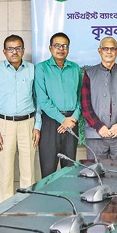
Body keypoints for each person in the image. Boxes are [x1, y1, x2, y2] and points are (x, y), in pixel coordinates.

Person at [0, 34, 42, 200]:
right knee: (5, 169)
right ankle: (5, 207)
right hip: (4, 124)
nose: (14, 52)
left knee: (28, 169)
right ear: (4, 51)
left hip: (28, 123)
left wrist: (37, 126)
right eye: (10, 49)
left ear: (23, 50)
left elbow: (38, 99)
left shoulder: (32, 69)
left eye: (18, 48)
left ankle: (27, 205)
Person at [81, 36, 117, 159]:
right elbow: (85, 106)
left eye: (112, 48)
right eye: (105, 48)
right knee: (96, 169)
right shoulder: (89, 73)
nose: (109, 52)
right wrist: (98, 126)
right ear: (99, 51)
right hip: (95, 134)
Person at [35, 32, 82, 175]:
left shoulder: (75, 68)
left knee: (69, 170)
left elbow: (80, 97)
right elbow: (42, 100)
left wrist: (73, 118)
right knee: (48, 169)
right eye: (57, 45)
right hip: (50, 122)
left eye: (64, 46)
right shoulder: (41, 68)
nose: (61, 49)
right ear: (50, 48)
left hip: (71, 122)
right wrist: (63, 120)